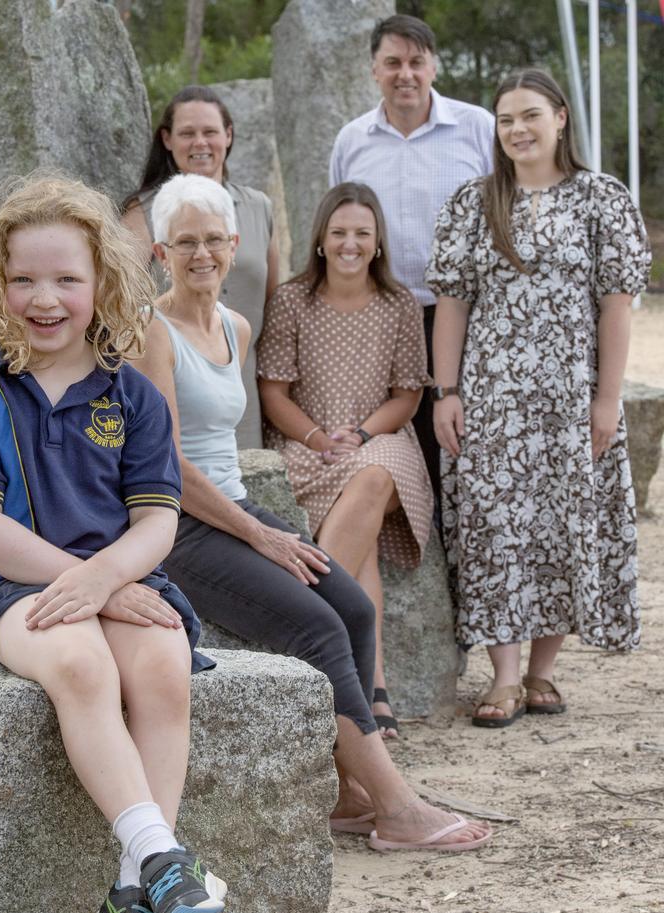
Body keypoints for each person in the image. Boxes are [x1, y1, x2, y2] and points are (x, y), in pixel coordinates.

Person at [0, 174, 227, 913]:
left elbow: (158, 522)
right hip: (11, 592)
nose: (44, 297)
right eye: (23, 279)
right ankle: (162, 856)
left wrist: (107, 579)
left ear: (103, 284)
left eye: (66, 278)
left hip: (120, 580)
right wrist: (86, 584)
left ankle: (132, 901)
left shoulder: (131, 395)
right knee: (81, 662)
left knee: (164, 664)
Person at [137, 171, 492, 853]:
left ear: (234, 243)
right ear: (161, 253)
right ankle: (397, 807)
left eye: (214, 239)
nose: (201, 254)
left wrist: (256, 525)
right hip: (175, 525)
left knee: (353, 607)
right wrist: (261, 536)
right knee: (315, 628)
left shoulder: (236, 327)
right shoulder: (153, 333)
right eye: (185, 243)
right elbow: (168, 468)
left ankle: (349, 795)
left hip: (231, 507)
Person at [426, 68, 651, 727]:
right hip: (494, 398)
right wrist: (448, 391)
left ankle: (543, 671)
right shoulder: (476, 202)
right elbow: (452, 303)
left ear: (560, 117)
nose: (518, 129)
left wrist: (606, 401)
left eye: (530, 115)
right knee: (497, 529)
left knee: (560, 524)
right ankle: (502, 677)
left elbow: (616, 307)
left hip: (569, 399)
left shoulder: (600, 198)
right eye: (505, 120)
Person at [258, 182, 433, 739]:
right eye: (339, 233)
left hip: (379, 437)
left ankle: (308, 615)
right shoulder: (291, 300)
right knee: (364, 559)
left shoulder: (400, 304)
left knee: (376, 472)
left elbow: (408, 395)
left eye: (361, 233)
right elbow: (273, 390)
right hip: (307, 446)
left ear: (378, 241)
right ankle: (370, 692)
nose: (350, 244)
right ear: (321, 240)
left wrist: (358, 433)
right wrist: (315, 437)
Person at [329, 14, 494, 498]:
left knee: (464, 433)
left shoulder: (476, 128)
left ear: (434, 67)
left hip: (464, 312)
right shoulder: (351, 141)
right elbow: (344, 227)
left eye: (416, 62)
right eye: (393, 62)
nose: (406, 74)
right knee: (404, 439)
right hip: (381, 314)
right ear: (374, 70)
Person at [123, 84, 280, 449]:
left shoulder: (259, 208)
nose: (200, 143)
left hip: (243, 383)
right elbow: (121, 301)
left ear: (228, 135)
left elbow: (273, 300)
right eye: (187, 133)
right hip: (175, 383)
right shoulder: (144, 212)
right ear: (167, 139)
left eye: (210, 131)